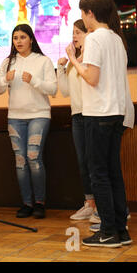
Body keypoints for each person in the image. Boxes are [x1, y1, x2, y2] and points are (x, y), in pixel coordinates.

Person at [67, 0, 134, 248]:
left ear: (90, 13)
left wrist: (74, 59)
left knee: (99, 175)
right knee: (113, 172)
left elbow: (92, 78)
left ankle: (107, 231)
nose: (82, 18)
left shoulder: (95, 38)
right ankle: (119, 230)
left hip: (99, 113)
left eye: (82, 13)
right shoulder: (117, 38)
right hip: (117, 112)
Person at [0, 24, 57, 219]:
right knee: (20, 161)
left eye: (22, 37)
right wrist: (5, 79)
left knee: (33, 157)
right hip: (15, 117)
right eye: (15, 38)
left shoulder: (43, 61)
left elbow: (53, 90)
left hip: (39, 114)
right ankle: (27, 203)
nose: (18, 41)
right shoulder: (7, 62)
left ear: (31, 39)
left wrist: (34, 81)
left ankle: (40, 203)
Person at [57, 20, 96, 220]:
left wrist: (74, 60)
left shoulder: (91, 58)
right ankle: (89, 202)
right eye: (73, 33)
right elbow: (64, 91)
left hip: (93, 114)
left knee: (95, 161)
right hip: (77, 115)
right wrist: (61, 68)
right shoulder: (75, 61)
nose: (74, 36)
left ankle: (103, 205)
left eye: (79, 32)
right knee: (83, 161)